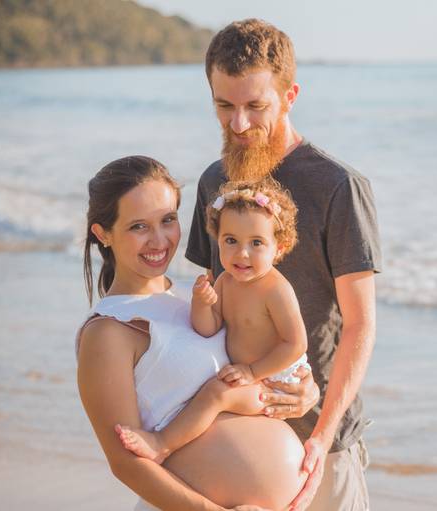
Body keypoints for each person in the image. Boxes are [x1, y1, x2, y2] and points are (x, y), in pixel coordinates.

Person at [187, 19, 382, 511]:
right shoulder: (213, 181)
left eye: (256, 106)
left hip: (319, 449)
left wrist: (322, 428)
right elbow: (211, 310)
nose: (239, 124)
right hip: (231, 436)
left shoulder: (338, 186)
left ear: (290, 94)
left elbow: (359, 325)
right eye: (224, 106)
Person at [77, 155, 317, 511]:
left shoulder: (201, 293)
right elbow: (125, 463)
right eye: (138, 227)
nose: (159, 240)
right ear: (103, 234)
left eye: (168, 220)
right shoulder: (109, 330)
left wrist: (303, 392)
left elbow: (258, 361)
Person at [114, 179, 310, 465]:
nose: (242, 253)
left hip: (276, 383)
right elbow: (207, 328)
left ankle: (162, 443)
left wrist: (252, 371)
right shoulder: (225, 281)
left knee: (216, 393)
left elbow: (296, 344)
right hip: (251, 378)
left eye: (256, 243)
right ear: (217, 239)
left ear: (279, 248)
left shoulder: (275, 290)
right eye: (231, 240)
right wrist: (202, 303)